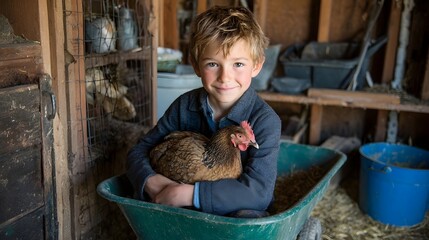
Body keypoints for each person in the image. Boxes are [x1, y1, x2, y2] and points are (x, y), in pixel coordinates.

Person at [127, 5, 281, 218]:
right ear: (196, 65)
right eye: (212, 64)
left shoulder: (265, 120)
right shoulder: (184, 106)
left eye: (238, 64)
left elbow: (259, 194)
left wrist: (189, 195)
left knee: (248, 216)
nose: (225, 77)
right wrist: (153, 183)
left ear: (256, 65)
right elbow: (138, 152)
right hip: (178, 202)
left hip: (232, 210)